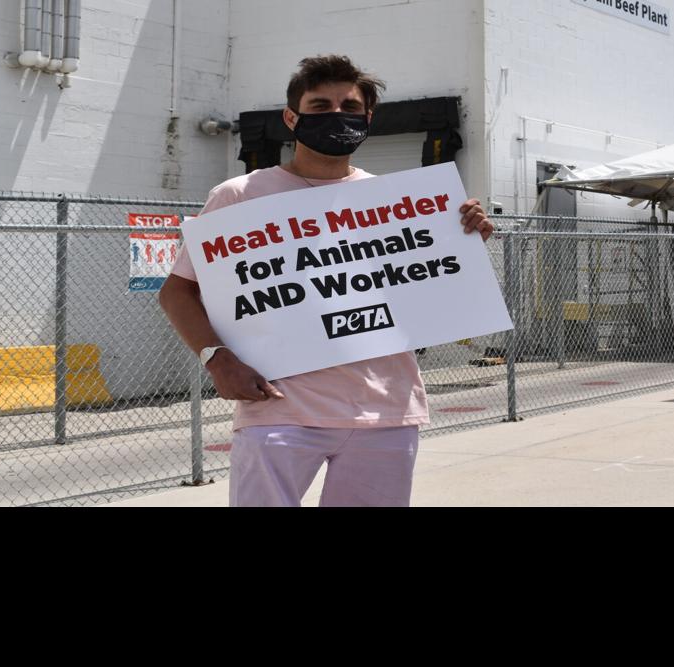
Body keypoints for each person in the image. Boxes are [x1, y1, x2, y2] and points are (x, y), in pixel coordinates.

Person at [159, 55, 495, 506]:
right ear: (291, 118)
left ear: (367, 119)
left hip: (385, 411)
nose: (337, 115)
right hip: (279, 408)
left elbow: (427, 295)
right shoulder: (240, 196)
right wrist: (217, 360)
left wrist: (461, 243)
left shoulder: (398, 203)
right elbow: (177, 292)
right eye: (320, 106)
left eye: (349, 107)